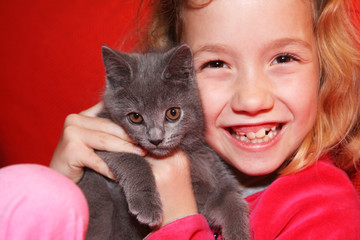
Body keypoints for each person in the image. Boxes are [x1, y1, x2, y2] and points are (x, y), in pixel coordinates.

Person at [1, 0, 360, 239]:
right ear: (177, 73)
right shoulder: (154, 139)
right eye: (215, 64)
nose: (252, 99)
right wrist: (63, 193)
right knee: (27, 188)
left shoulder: (326, 208)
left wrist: (177, 217)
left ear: (326, 69)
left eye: (283, 58)